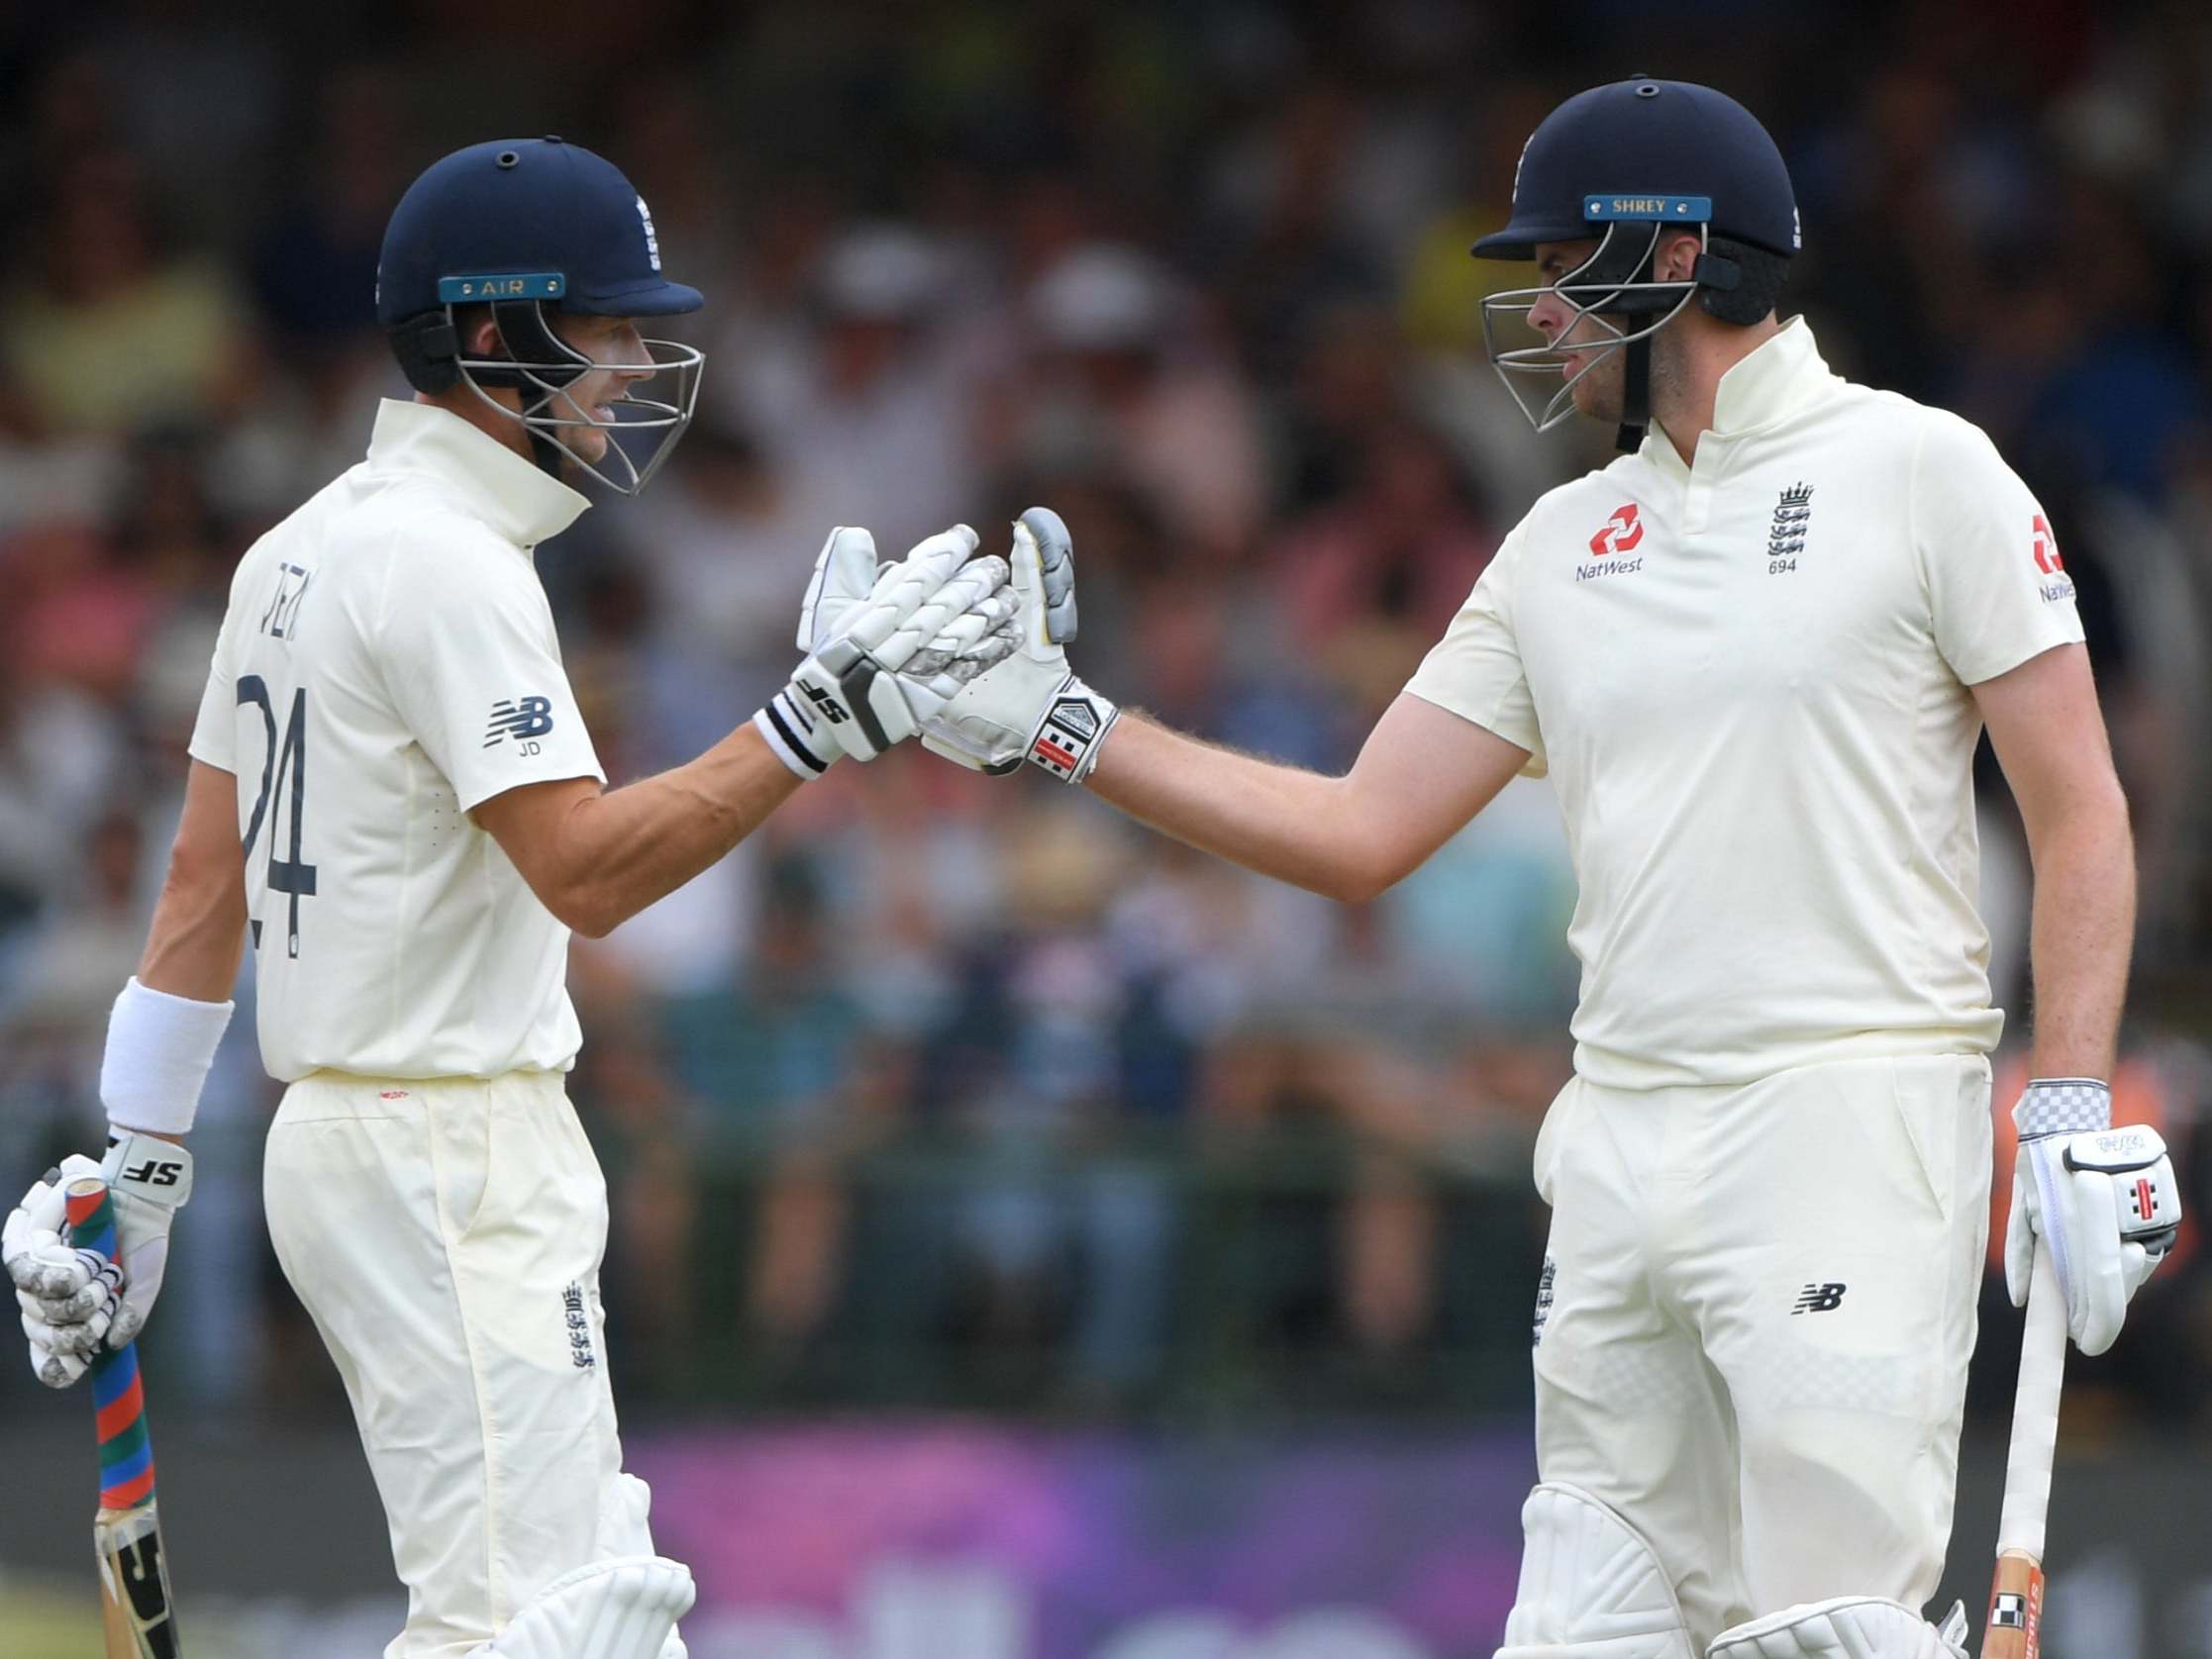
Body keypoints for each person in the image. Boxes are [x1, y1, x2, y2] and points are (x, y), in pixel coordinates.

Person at [917, 81, 2185, 1659]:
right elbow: (1357, 831)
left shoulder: (1924, 473)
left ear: (1668, 262)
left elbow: (2078, 806)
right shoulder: (1561, 539)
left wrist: (2065, 1101)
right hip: (1615, 1139)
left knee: (1826, 1627)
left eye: (1555, 263)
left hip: (1847, 1119)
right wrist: (1058, 724)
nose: (1527, 306)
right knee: (1584, 1625)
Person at [3, 137, 1020, 1659]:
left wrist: (142, 1184)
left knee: (592, 1620)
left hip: (372, 1145)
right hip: (443, 1149)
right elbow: (586, 872)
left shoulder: (300, 548)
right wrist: (814, 725)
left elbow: (201, 889)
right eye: (607, 331)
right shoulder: (448, 563)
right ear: (493, 337)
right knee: (524, 1637)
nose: (631, 370)